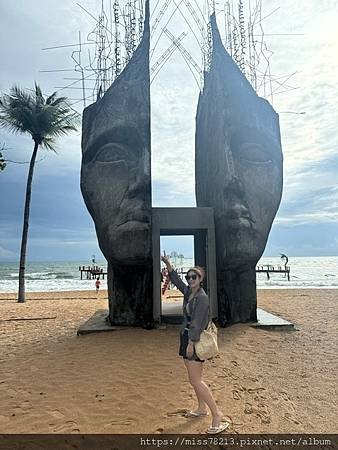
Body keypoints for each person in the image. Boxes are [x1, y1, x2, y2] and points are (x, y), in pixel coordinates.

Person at [161, 254, 230, 434]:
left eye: (194, 277)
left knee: (196, 380)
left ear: (200, 279)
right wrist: (168, 264)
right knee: (193, 378)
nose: (190, 280)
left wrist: (191, 343)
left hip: (193, 340)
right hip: (185, 337)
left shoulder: (202, 298)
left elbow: (198, 323)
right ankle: (201, 408)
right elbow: (175, 280)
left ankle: (217, 415)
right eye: (189, 277)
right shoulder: (189, 293)